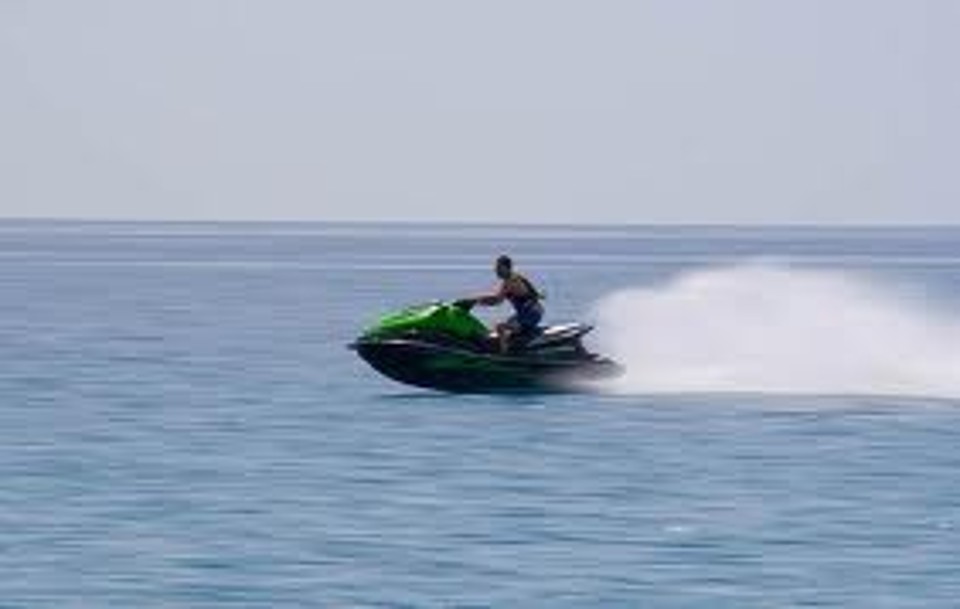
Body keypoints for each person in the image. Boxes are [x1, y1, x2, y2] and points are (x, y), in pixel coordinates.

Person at [457, 255, 544, 353]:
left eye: (499, 268)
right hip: (528, 313)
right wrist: (475, 301)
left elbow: (496, 300)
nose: (496, 270)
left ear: (506, 268)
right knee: (503, 328)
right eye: (496, 268)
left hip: (530, 313)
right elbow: (496, 299)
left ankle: (504, 355)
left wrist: (473, 301)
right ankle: (516, 347)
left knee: (501, 328)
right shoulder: (512, 279)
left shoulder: (512, 281)